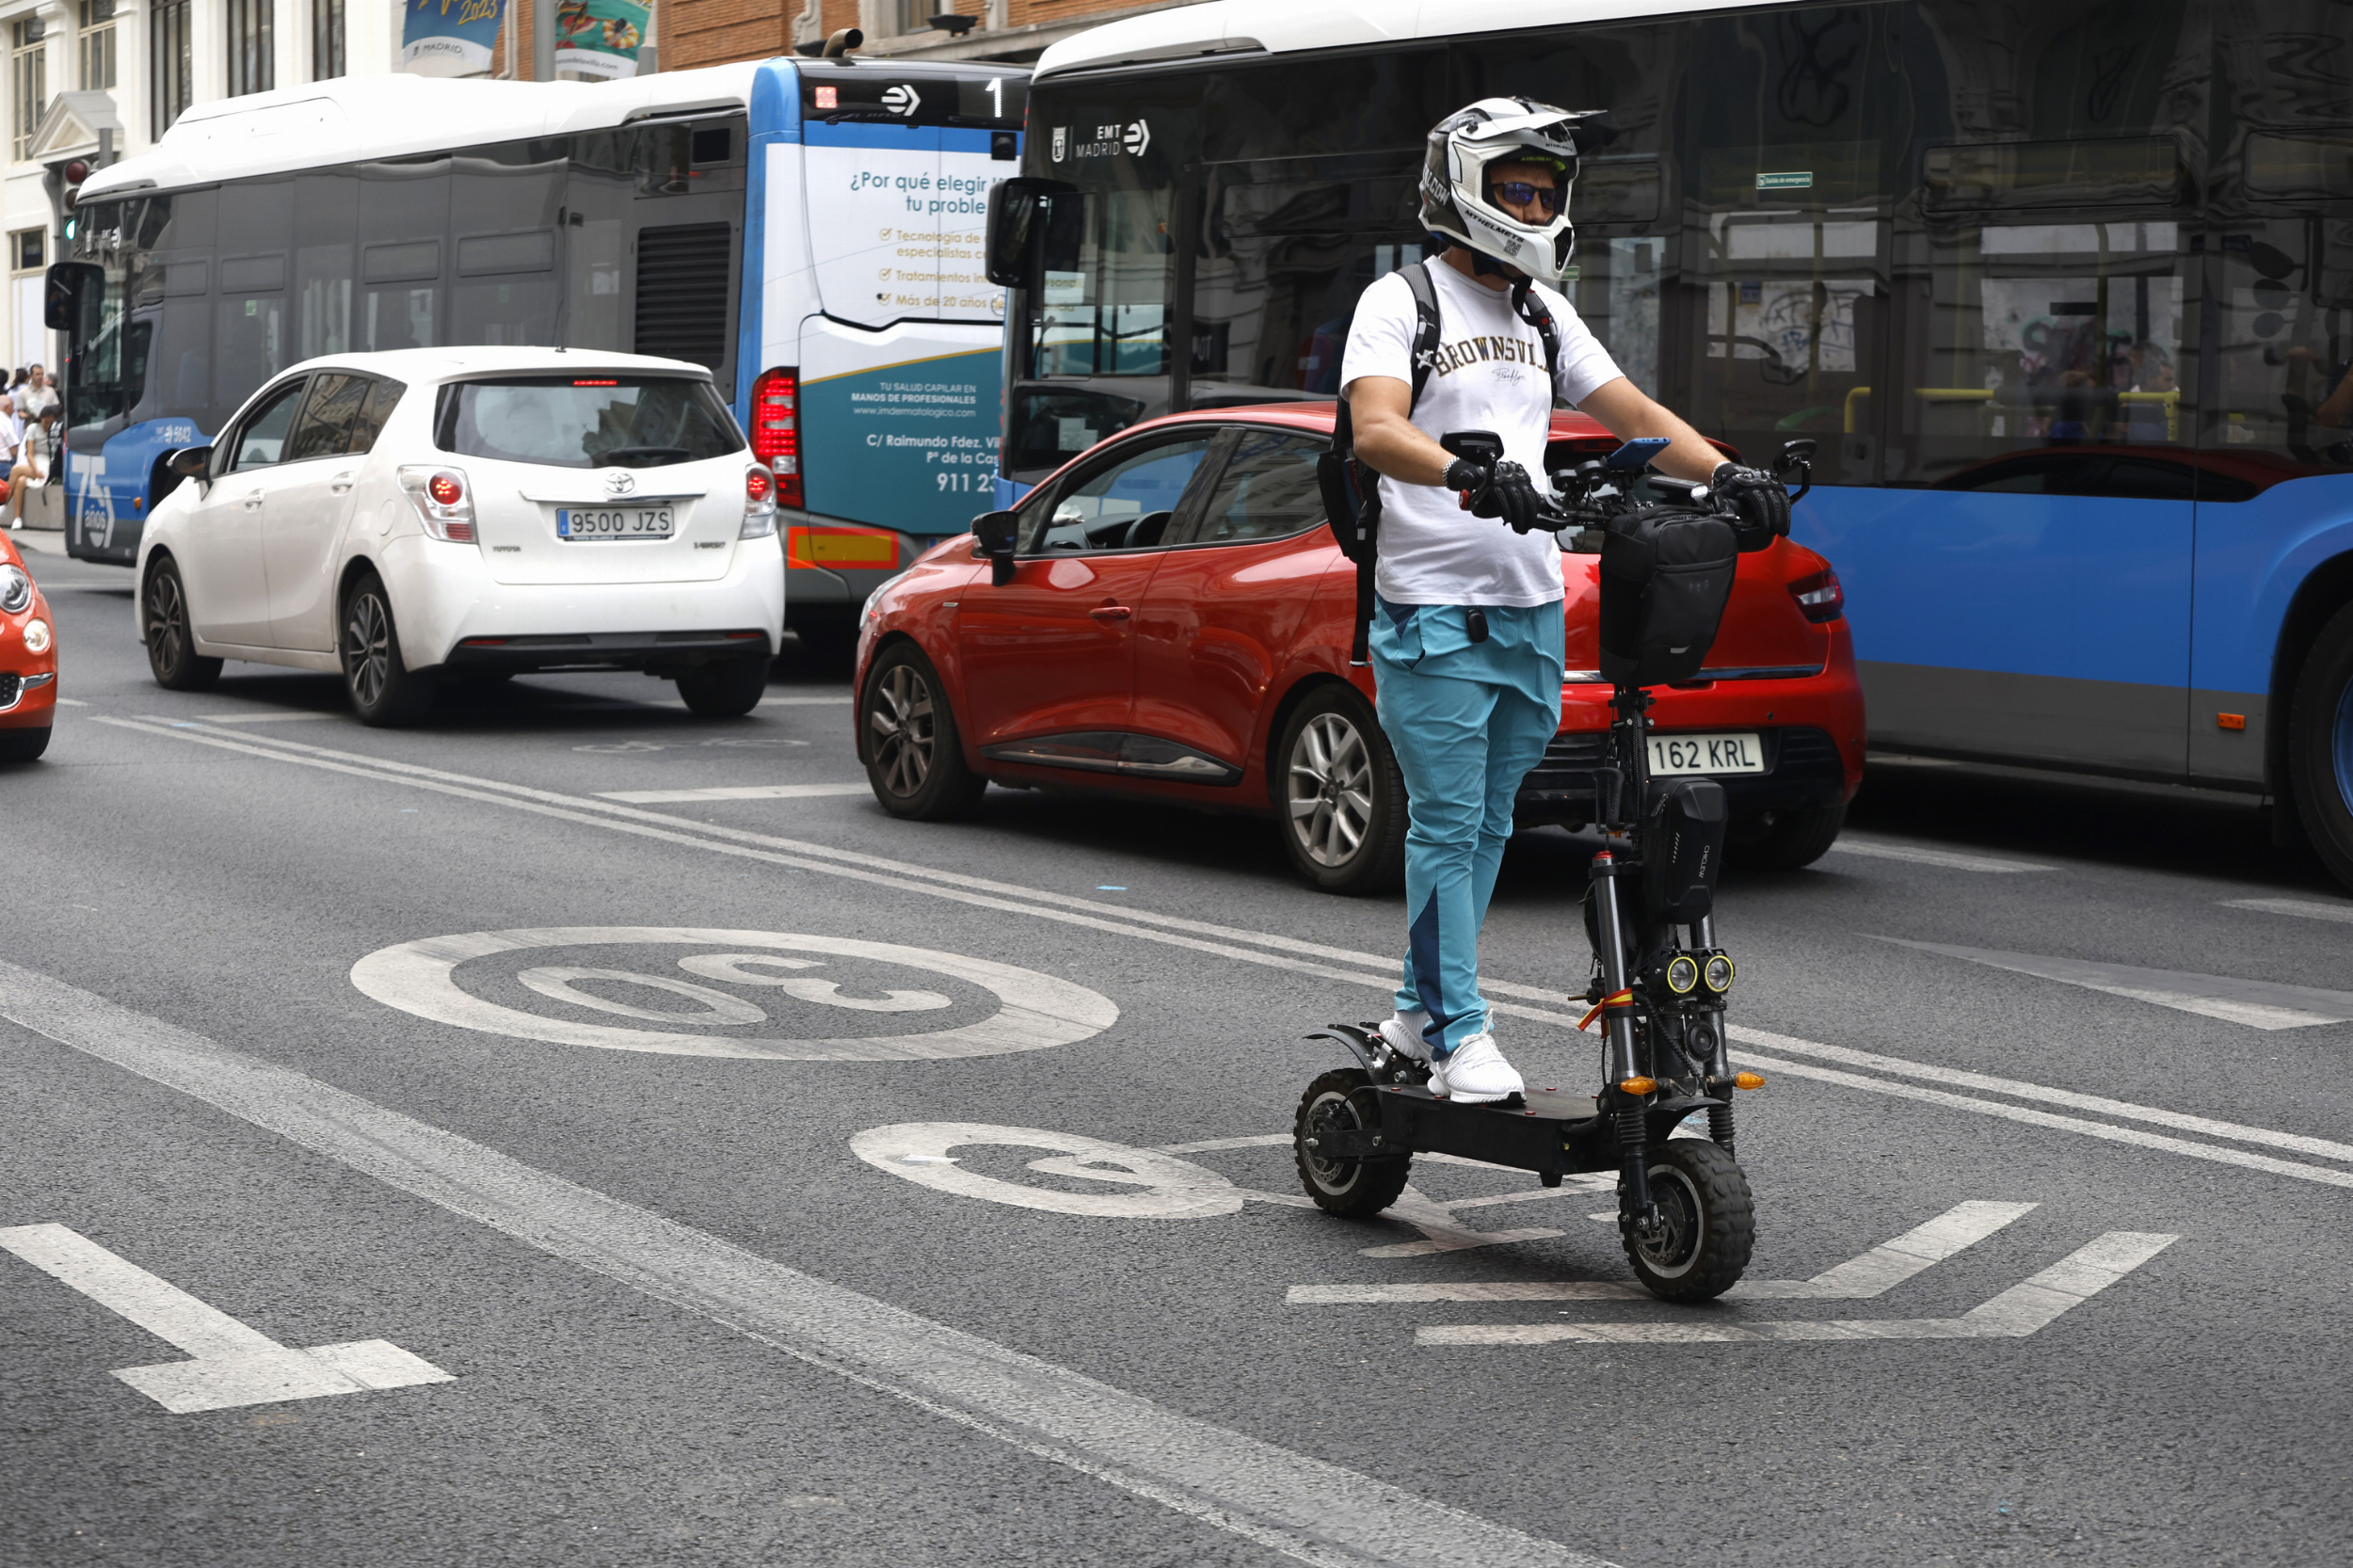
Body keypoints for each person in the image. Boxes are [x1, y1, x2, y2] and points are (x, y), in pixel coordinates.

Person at [1339, 97, 1787, 1103]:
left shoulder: (1541, 312)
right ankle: (1461, 1031)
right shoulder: (1400, 301)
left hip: (1528, 604)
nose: (1536, 204)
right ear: (1463, 187)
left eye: (1546, 189)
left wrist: (1724, 473)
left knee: (1491, 823)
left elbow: (1625, 407)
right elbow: (1374, 428)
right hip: (1431, 608)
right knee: (1450, 825)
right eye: (1517, 188)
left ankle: (1416, 1012)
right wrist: (1467, 475)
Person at [8, 405, 56, 529]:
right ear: (41, 418)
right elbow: (29, 453)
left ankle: (3, 502)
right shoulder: (33, 428)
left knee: (15, 469)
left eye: (51, 423)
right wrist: (35, 470)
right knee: (20, 480)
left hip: (48, 463)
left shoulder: (56, 430)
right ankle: (17, 519)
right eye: (46, 422)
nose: (48, 425)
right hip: (35, 462)